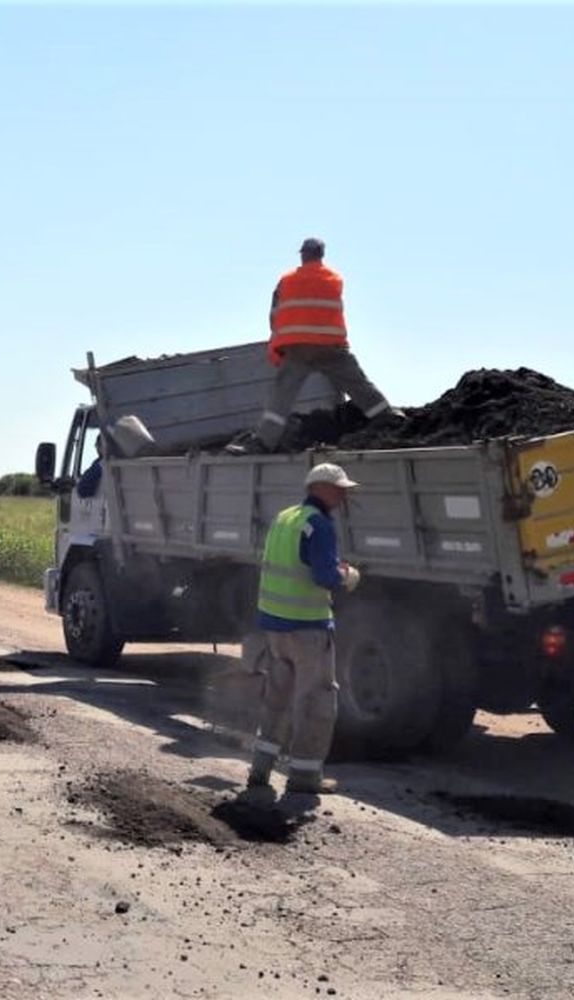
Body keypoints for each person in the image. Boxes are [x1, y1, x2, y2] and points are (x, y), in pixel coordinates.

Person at [247, 462, 362, 802]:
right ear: (319, 489)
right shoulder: (319, 524)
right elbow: (324, 576)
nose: (343, 495)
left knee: (276, 698)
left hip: (276, 627)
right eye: (338, 488)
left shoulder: (285, 518)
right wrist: (348, 576)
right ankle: (304, 777)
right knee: (316, 701)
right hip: (308, 629)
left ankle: (260, 769)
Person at [248, 238, 402, 452]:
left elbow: (274, 316)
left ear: (302, 254)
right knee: (358, 384)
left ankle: (264, 442)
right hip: (332, 346)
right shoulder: (334, 279)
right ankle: (388, 417)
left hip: (298, 348)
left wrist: (276, 348)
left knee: (281, 395)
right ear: (322, 255)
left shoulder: (286, 280)